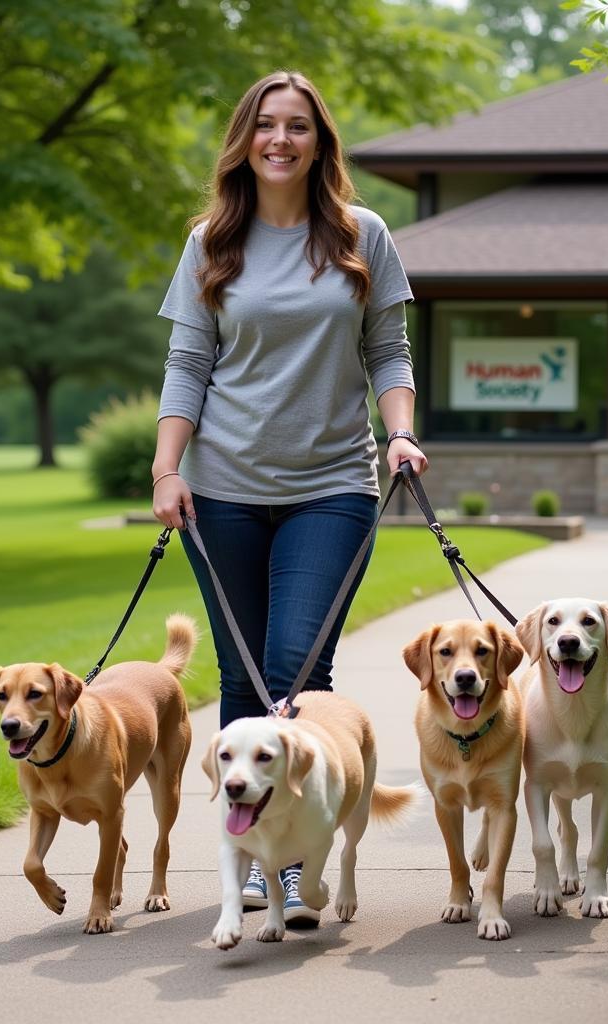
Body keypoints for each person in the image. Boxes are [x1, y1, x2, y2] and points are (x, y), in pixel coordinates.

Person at [151, 70, 427, 927]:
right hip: (224, 491)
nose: (280, 139)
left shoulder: (361, 234)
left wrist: (401, 431)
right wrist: (169, 467)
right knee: (239, 680)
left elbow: (389, 348)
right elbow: (188, 364)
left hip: (334, 487)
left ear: (319, 141)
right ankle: (254, 866)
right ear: (246, 139)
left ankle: (296, 866)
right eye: (266, 125)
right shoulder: (211, 242)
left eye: (297, 126)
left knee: (293, 676)